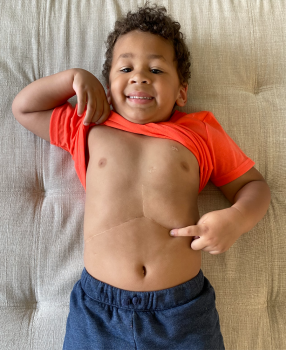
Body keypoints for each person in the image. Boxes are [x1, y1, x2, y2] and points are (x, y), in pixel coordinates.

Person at [12, 4, 271, 350]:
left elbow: (254, 186)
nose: (140, 76)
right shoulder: (88, 124)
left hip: (182, 312)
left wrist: (236, 220)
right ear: (107, 85)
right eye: (126, 67)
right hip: (98, 312)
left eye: (156, 68)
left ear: (182, 92)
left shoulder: (200, 133)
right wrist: (71, 78)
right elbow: (25, 108)